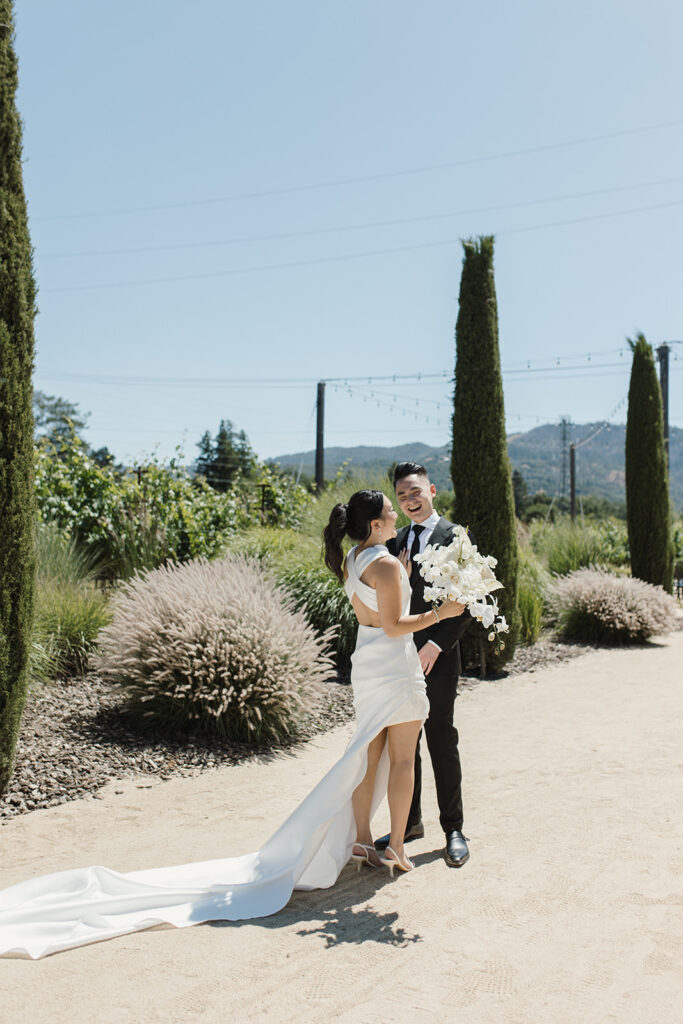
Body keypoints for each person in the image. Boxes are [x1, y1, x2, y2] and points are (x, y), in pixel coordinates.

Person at [0, 489, 464, 960]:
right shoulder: (384, 563)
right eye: (389, 506)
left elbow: (375, 609)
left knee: (367, 751)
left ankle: (364, 839)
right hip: (393, 662)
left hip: (367, 662)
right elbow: (394, 625)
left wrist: (402, 576)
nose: (394, 508)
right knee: (402, 756)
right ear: (378, 522)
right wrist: (440, 613)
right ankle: (398, 848)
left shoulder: (354, 558)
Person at [375, 462, 474, 868]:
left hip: (439, 655)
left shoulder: (456, 536)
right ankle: (410, 822)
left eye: (415, 492)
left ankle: (453, 827)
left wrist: (436, 644)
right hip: (401, 655)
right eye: (402, 496)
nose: (410, 500)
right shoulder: (394, 539)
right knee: (404, 741)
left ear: (431, 490)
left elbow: (472, 599)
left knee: (439, 737)